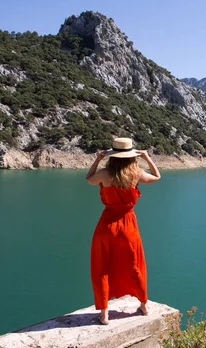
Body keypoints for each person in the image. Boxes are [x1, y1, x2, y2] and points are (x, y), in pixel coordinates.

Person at [85, 137, 161, 325]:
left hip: (106, 225)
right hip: (128, 226)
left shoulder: (104, 174)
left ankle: (104, 314)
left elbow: (89, 180)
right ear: (130, 156)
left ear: (112, 156)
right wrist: (147, 157)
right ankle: (143, 306)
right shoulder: (136, 174)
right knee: (135, 264)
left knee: (102, 267)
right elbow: (157, 177)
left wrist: (97, 159)